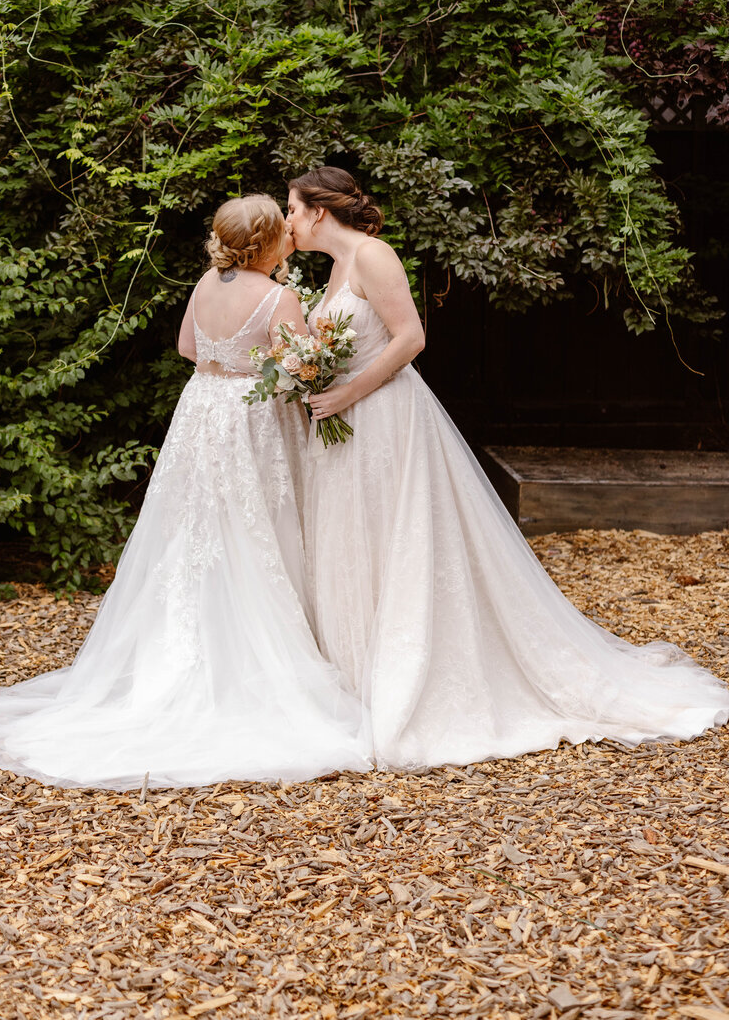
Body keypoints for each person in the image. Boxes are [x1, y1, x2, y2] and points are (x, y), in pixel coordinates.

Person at [288, 166, 729, 770]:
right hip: (346, 431)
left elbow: (410, 338)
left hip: (385, 419)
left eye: (291, 208)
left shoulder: (374, 255)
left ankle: (415, 675)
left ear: (318, 211)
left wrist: (344, 394)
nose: (286, 220)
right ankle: (361, 672)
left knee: (397, 537)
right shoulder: (334, 269)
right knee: (355, 543)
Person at [0, 195, 370, 789]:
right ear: (267, 243)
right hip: (246, 419)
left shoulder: (205, 284)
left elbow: (190, 349)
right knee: (253, 524)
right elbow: (299, 367)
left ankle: (182, 645)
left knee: (195, 528)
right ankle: (254, 656)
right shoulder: (279, 297)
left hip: (200, 411)